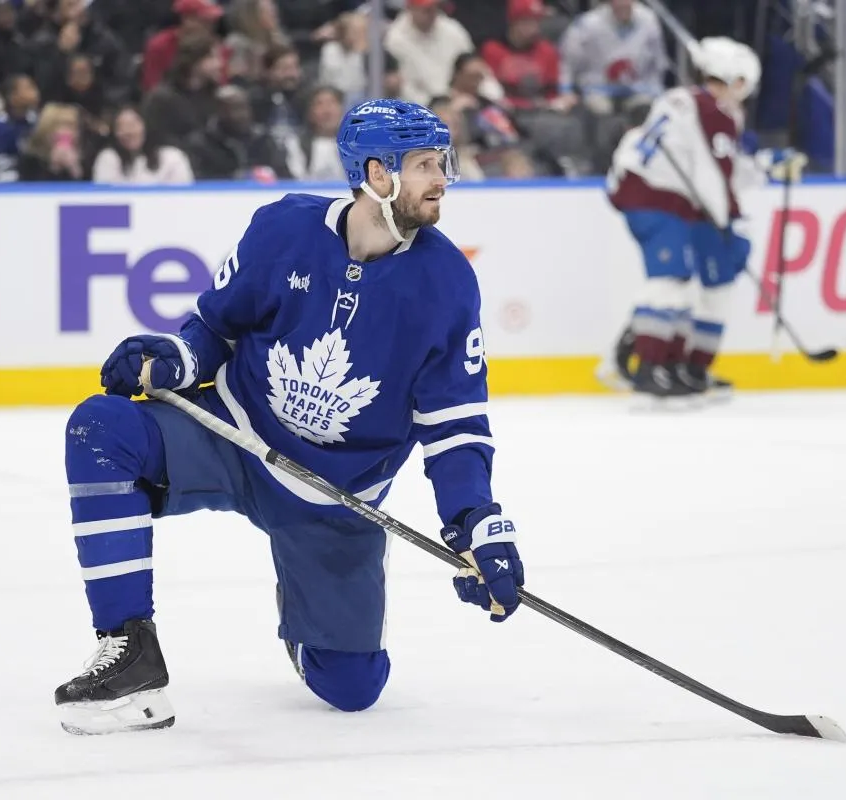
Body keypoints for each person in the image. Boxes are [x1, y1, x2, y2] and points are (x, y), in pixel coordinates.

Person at [54, 98, 526, 735]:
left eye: (441, 163)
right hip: (233, 434)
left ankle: (309, 619)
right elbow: (214, 330)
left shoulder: (446, 282)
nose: (441, 179)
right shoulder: (283, 229)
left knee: (354, 686)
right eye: (423, 165)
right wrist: (172, 357)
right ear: (377, 175)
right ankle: (128, 649)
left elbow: (456, 426)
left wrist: (474, 521)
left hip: (336, 495)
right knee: (101, 429)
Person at [601, 37, 804, 404]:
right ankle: (647, 370)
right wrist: (731, 223)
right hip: (659, 200)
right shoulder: (712, 112)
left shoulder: (683, 102)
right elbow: (713, 176)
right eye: (742, 85)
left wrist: (764, 166)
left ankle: (668, 368)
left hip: (648, 196)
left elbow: (720, 166)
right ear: (732, 78)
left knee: (680, 284)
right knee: (670, 282)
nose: (742, 95)